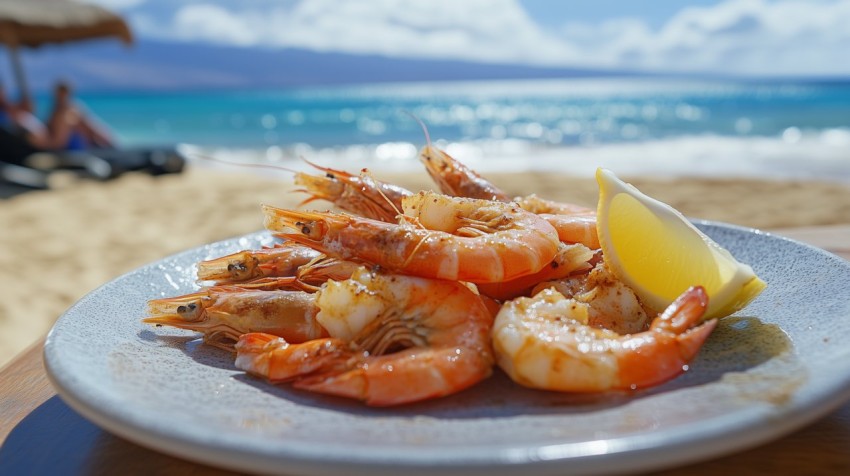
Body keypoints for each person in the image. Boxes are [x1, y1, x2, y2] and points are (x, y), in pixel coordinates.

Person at [46, 80, 115, 150]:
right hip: (78, 143)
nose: (60, 96)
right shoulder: (57, 109)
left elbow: (89, 127)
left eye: (62, 93)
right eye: (59, 93)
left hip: (86, 142)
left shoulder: (70, 110)